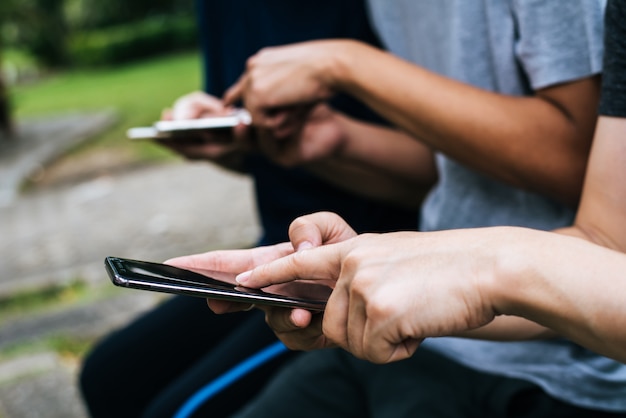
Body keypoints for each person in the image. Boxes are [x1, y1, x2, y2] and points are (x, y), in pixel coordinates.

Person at [166, 1, 626, 417]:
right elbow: (605, 244)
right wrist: (386, 272)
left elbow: (587, 228)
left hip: (571, 379)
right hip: (450, 343)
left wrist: (346, 63)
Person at [78, 1, 418, 417]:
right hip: (274, 254)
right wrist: (224, 140)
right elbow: (262, 142)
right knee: (105, 376)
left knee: (179, 409)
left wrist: (332, 132)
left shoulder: (385, 15)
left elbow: (452, 178)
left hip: (374, 258)